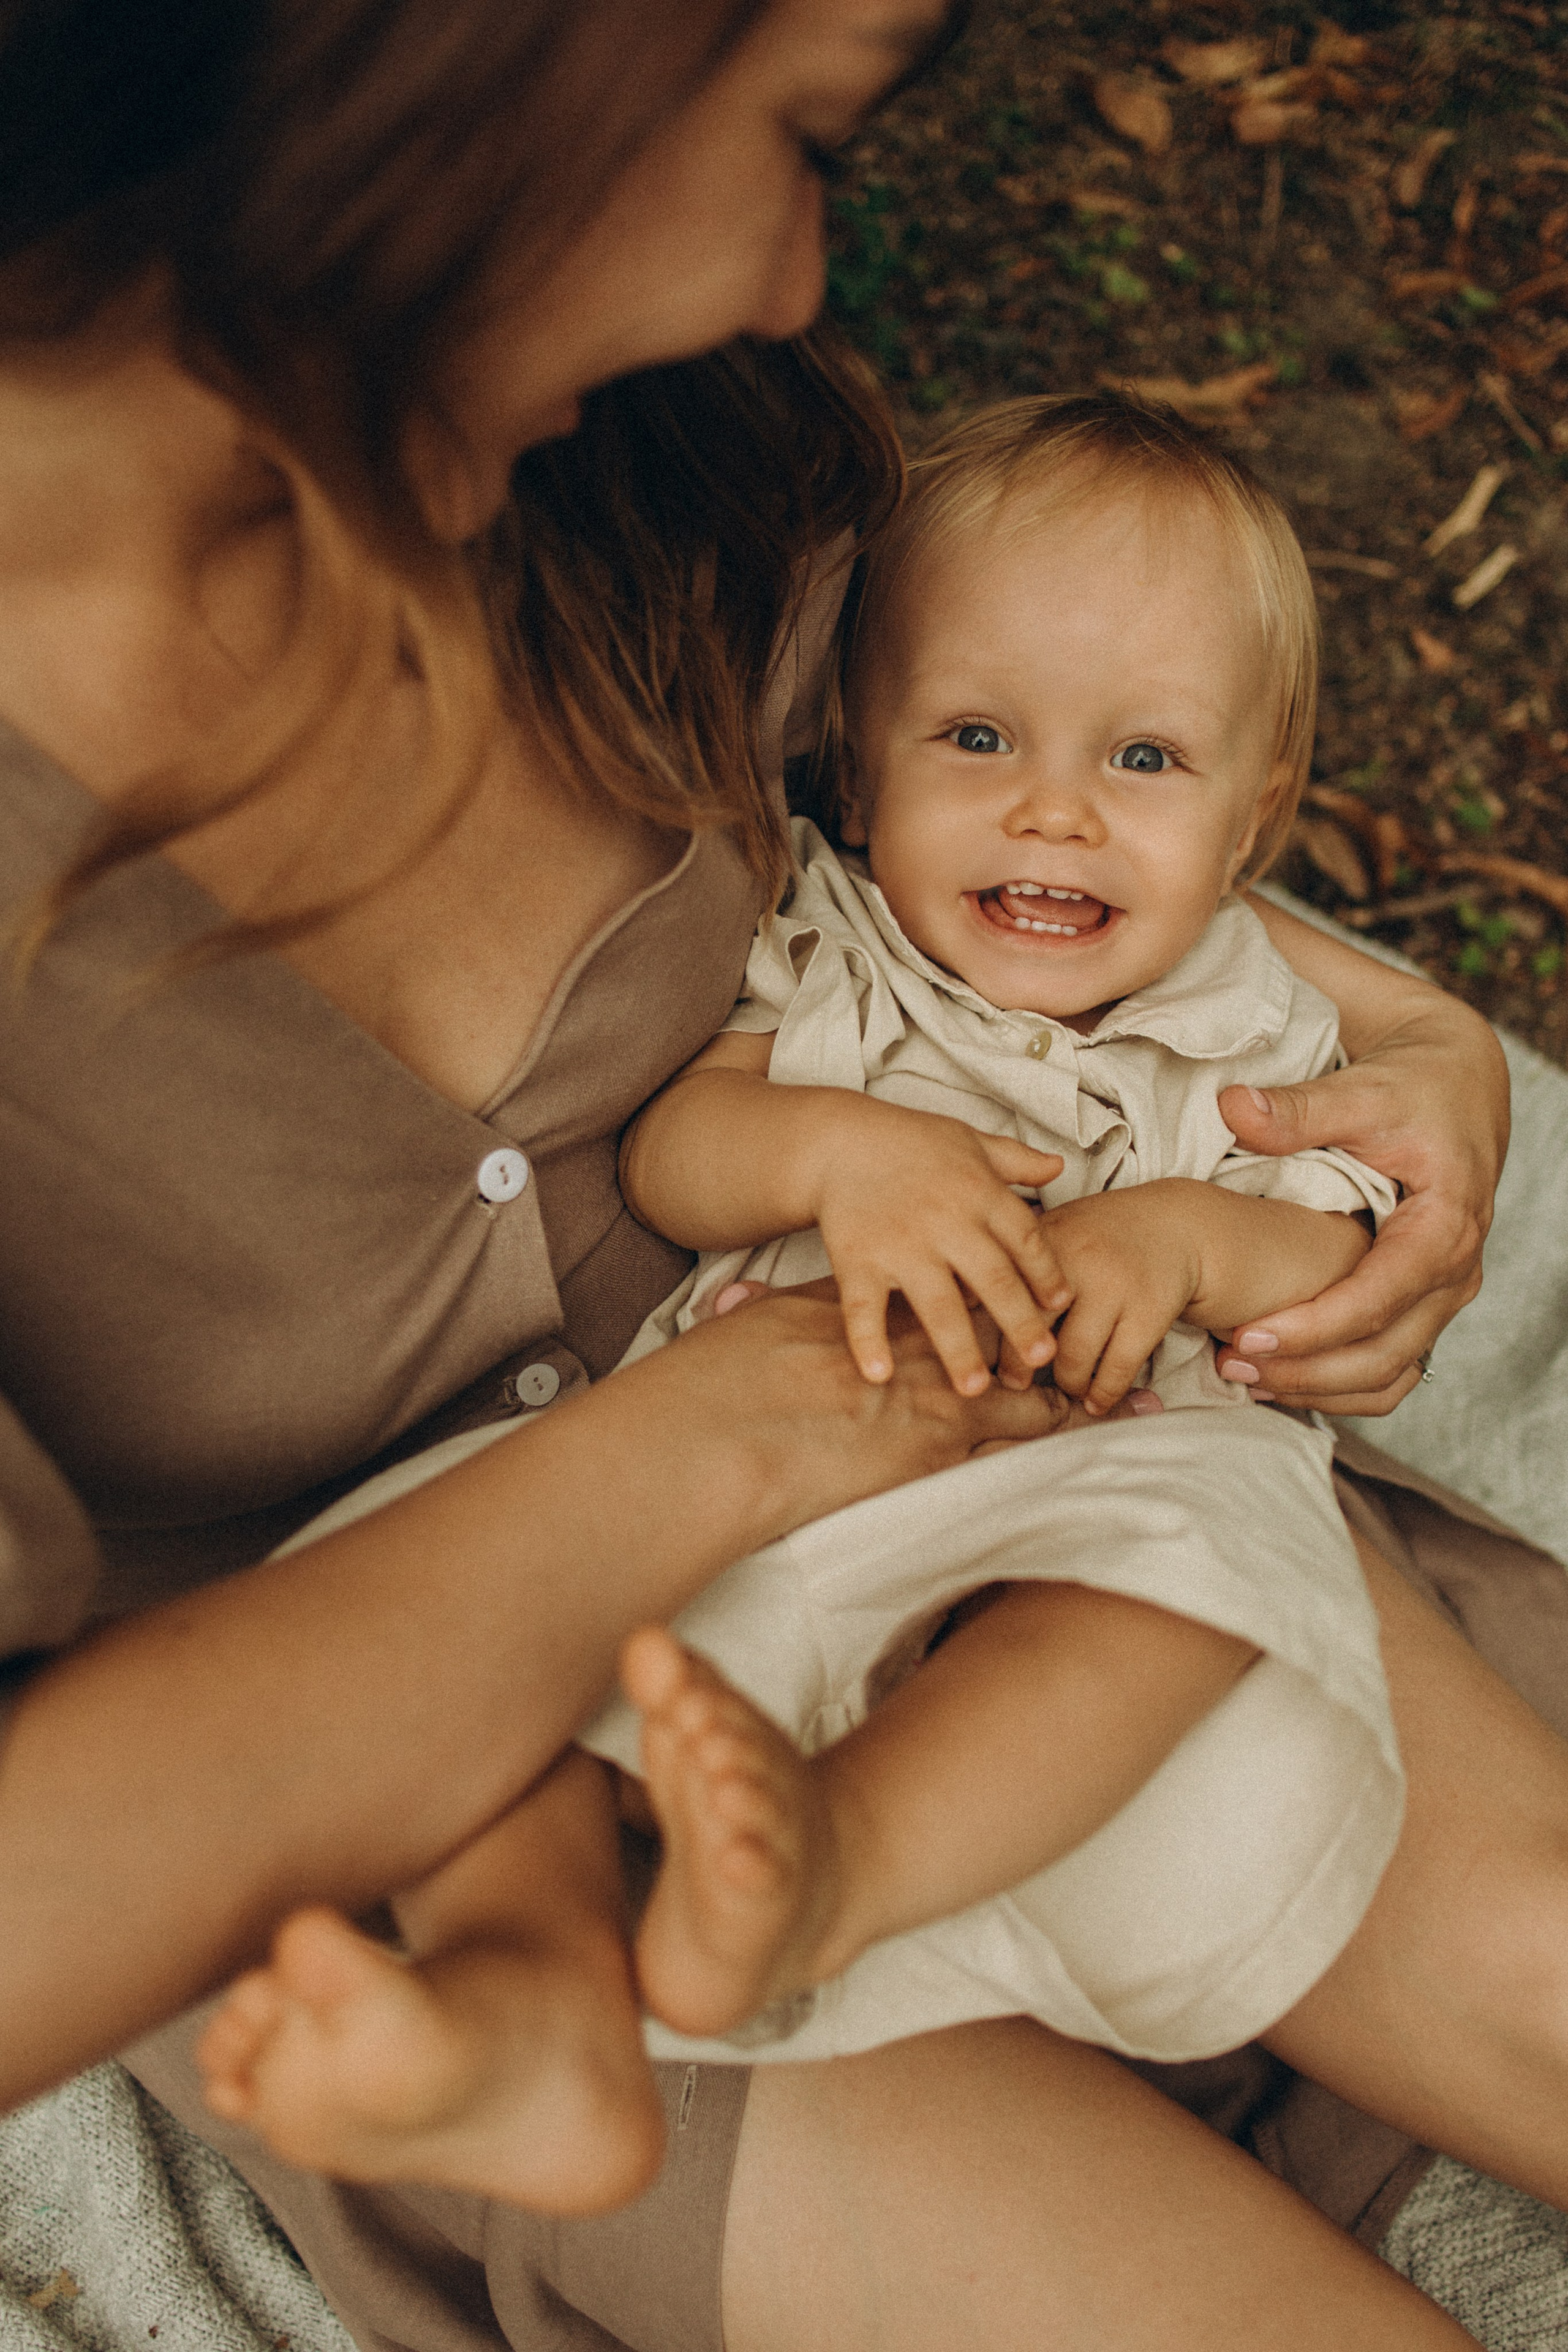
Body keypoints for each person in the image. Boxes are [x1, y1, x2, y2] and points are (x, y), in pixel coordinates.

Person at [0, 1, 1554, 2346]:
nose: (795, 279)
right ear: (493, 74)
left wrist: (1403, 1038)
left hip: (1037, 1496)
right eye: (807, 137)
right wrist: (761, 1418)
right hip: (447, 1781)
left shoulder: (643, 469)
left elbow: (976, 817)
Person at [194, 393, 1428, 2204]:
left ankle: (835, 1861)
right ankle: (506, 1999)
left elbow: (1337, 1258)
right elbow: (678, 1151)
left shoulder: (1259, 1031)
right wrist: (840, 1159)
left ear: (1261, 812)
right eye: (978, 735)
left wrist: (1177, 1241)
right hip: (780, 1451)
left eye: (1146, 762)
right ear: (856, 769)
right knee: (501, 1628)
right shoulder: (834, 943)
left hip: (1082, 1481)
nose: (1056, 810)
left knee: (1211, 1580)